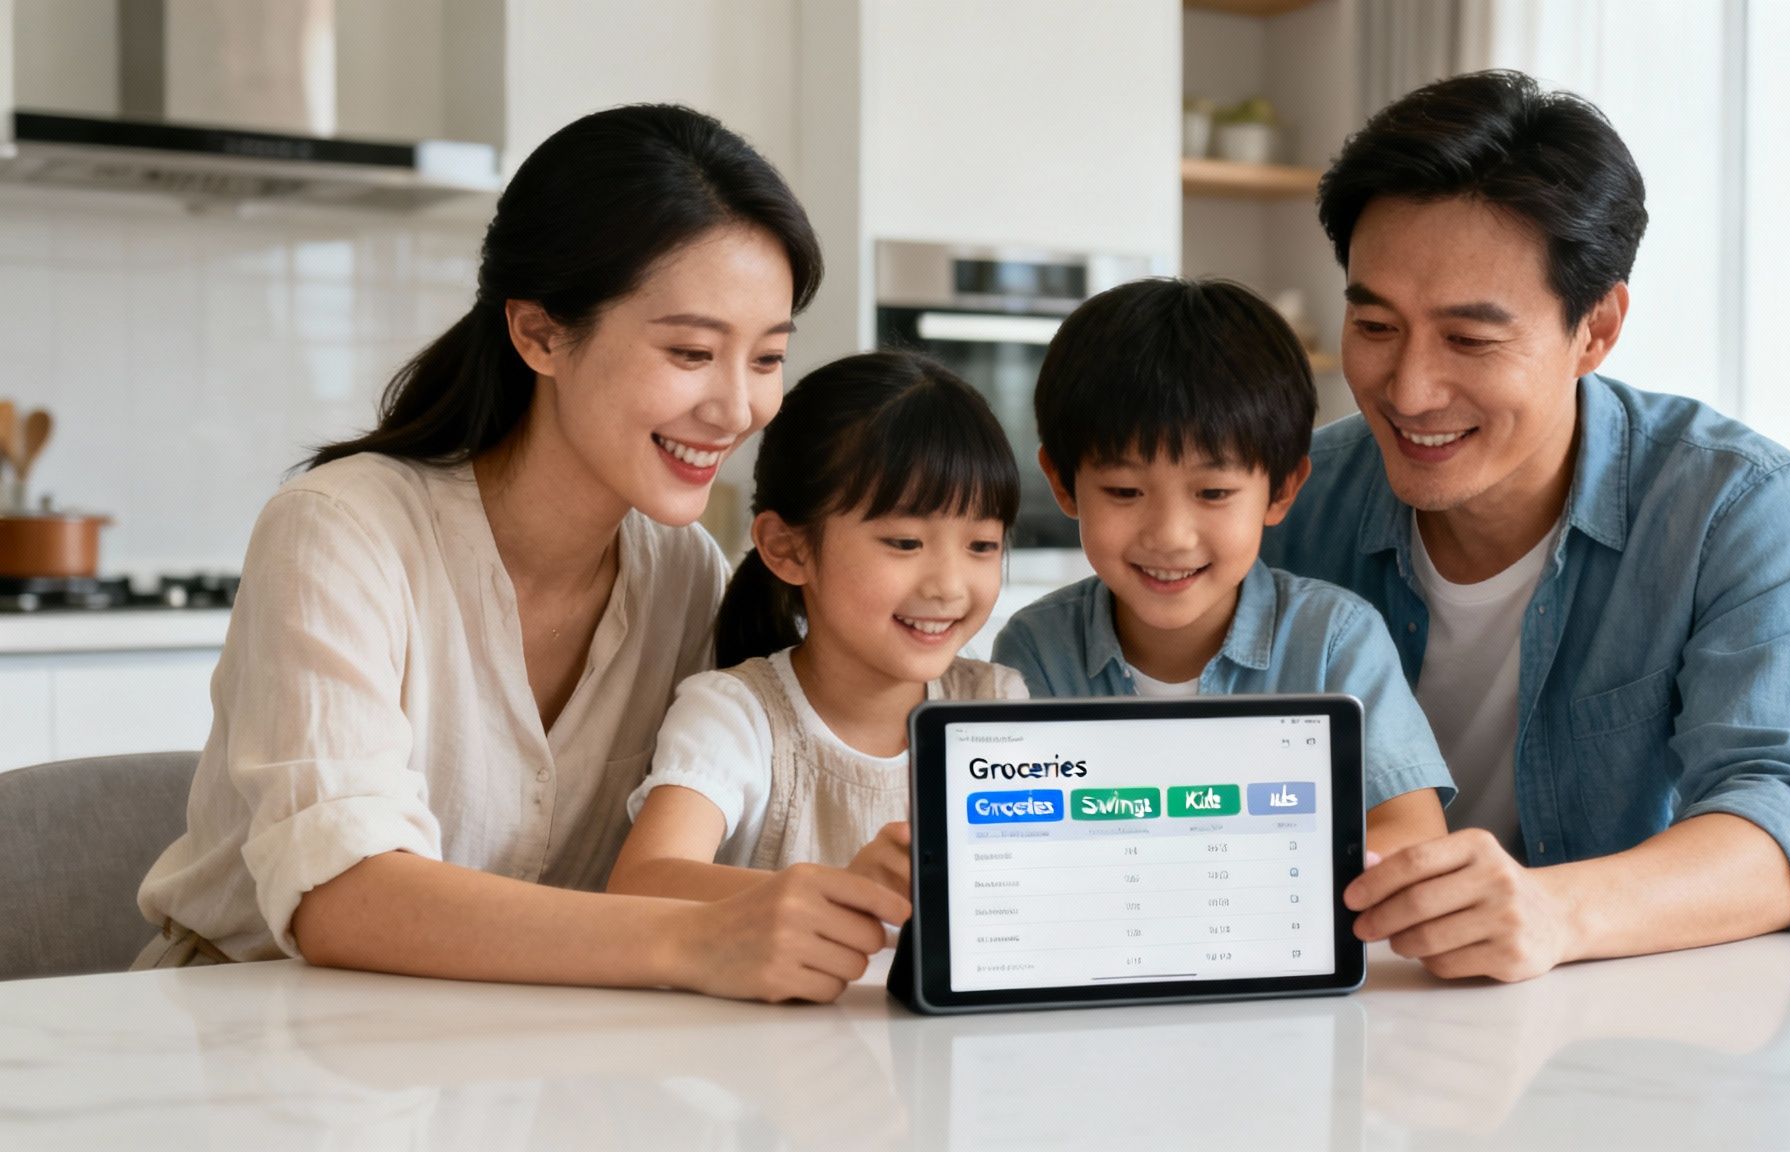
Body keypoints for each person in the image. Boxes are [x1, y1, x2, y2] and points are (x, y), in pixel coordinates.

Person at [135, 104, 908, 1004]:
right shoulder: (342, 530)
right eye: (693, 351)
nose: (737, 409)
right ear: (540, 333)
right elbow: (342, 898)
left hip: (521, 1045)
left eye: (768, 358)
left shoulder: (682, 571)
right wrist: (695, 936)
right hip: (251, 1038)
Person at [1263, 70, 1790, 982]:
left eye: (1470, 339)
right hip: (1355, 1021)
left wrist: (1555, 910)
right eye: (1376, 324)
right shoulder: (1289, 504)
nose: (1410, 390)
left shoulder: (1733, 504)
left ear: (1597, 329)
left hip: (1627, 1026)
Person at [994, 277, 1454, 856]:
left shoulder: (1334, 640)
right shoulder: (1037, 650)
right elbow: (1009, 840)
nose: (1169, 536)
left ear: (1283, 491)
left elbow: (1413, 833)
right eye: (1123, 491)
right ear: (1063, 484)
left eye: (1212, 493)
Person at [607, 350, 1027, 902]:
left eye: (982, 546)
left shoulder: (994, 704)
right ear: (788, 548)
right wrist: (845, 891)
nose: (948, 586)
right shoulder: (737, 716)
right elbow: (643, 882)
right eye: (905, 542)